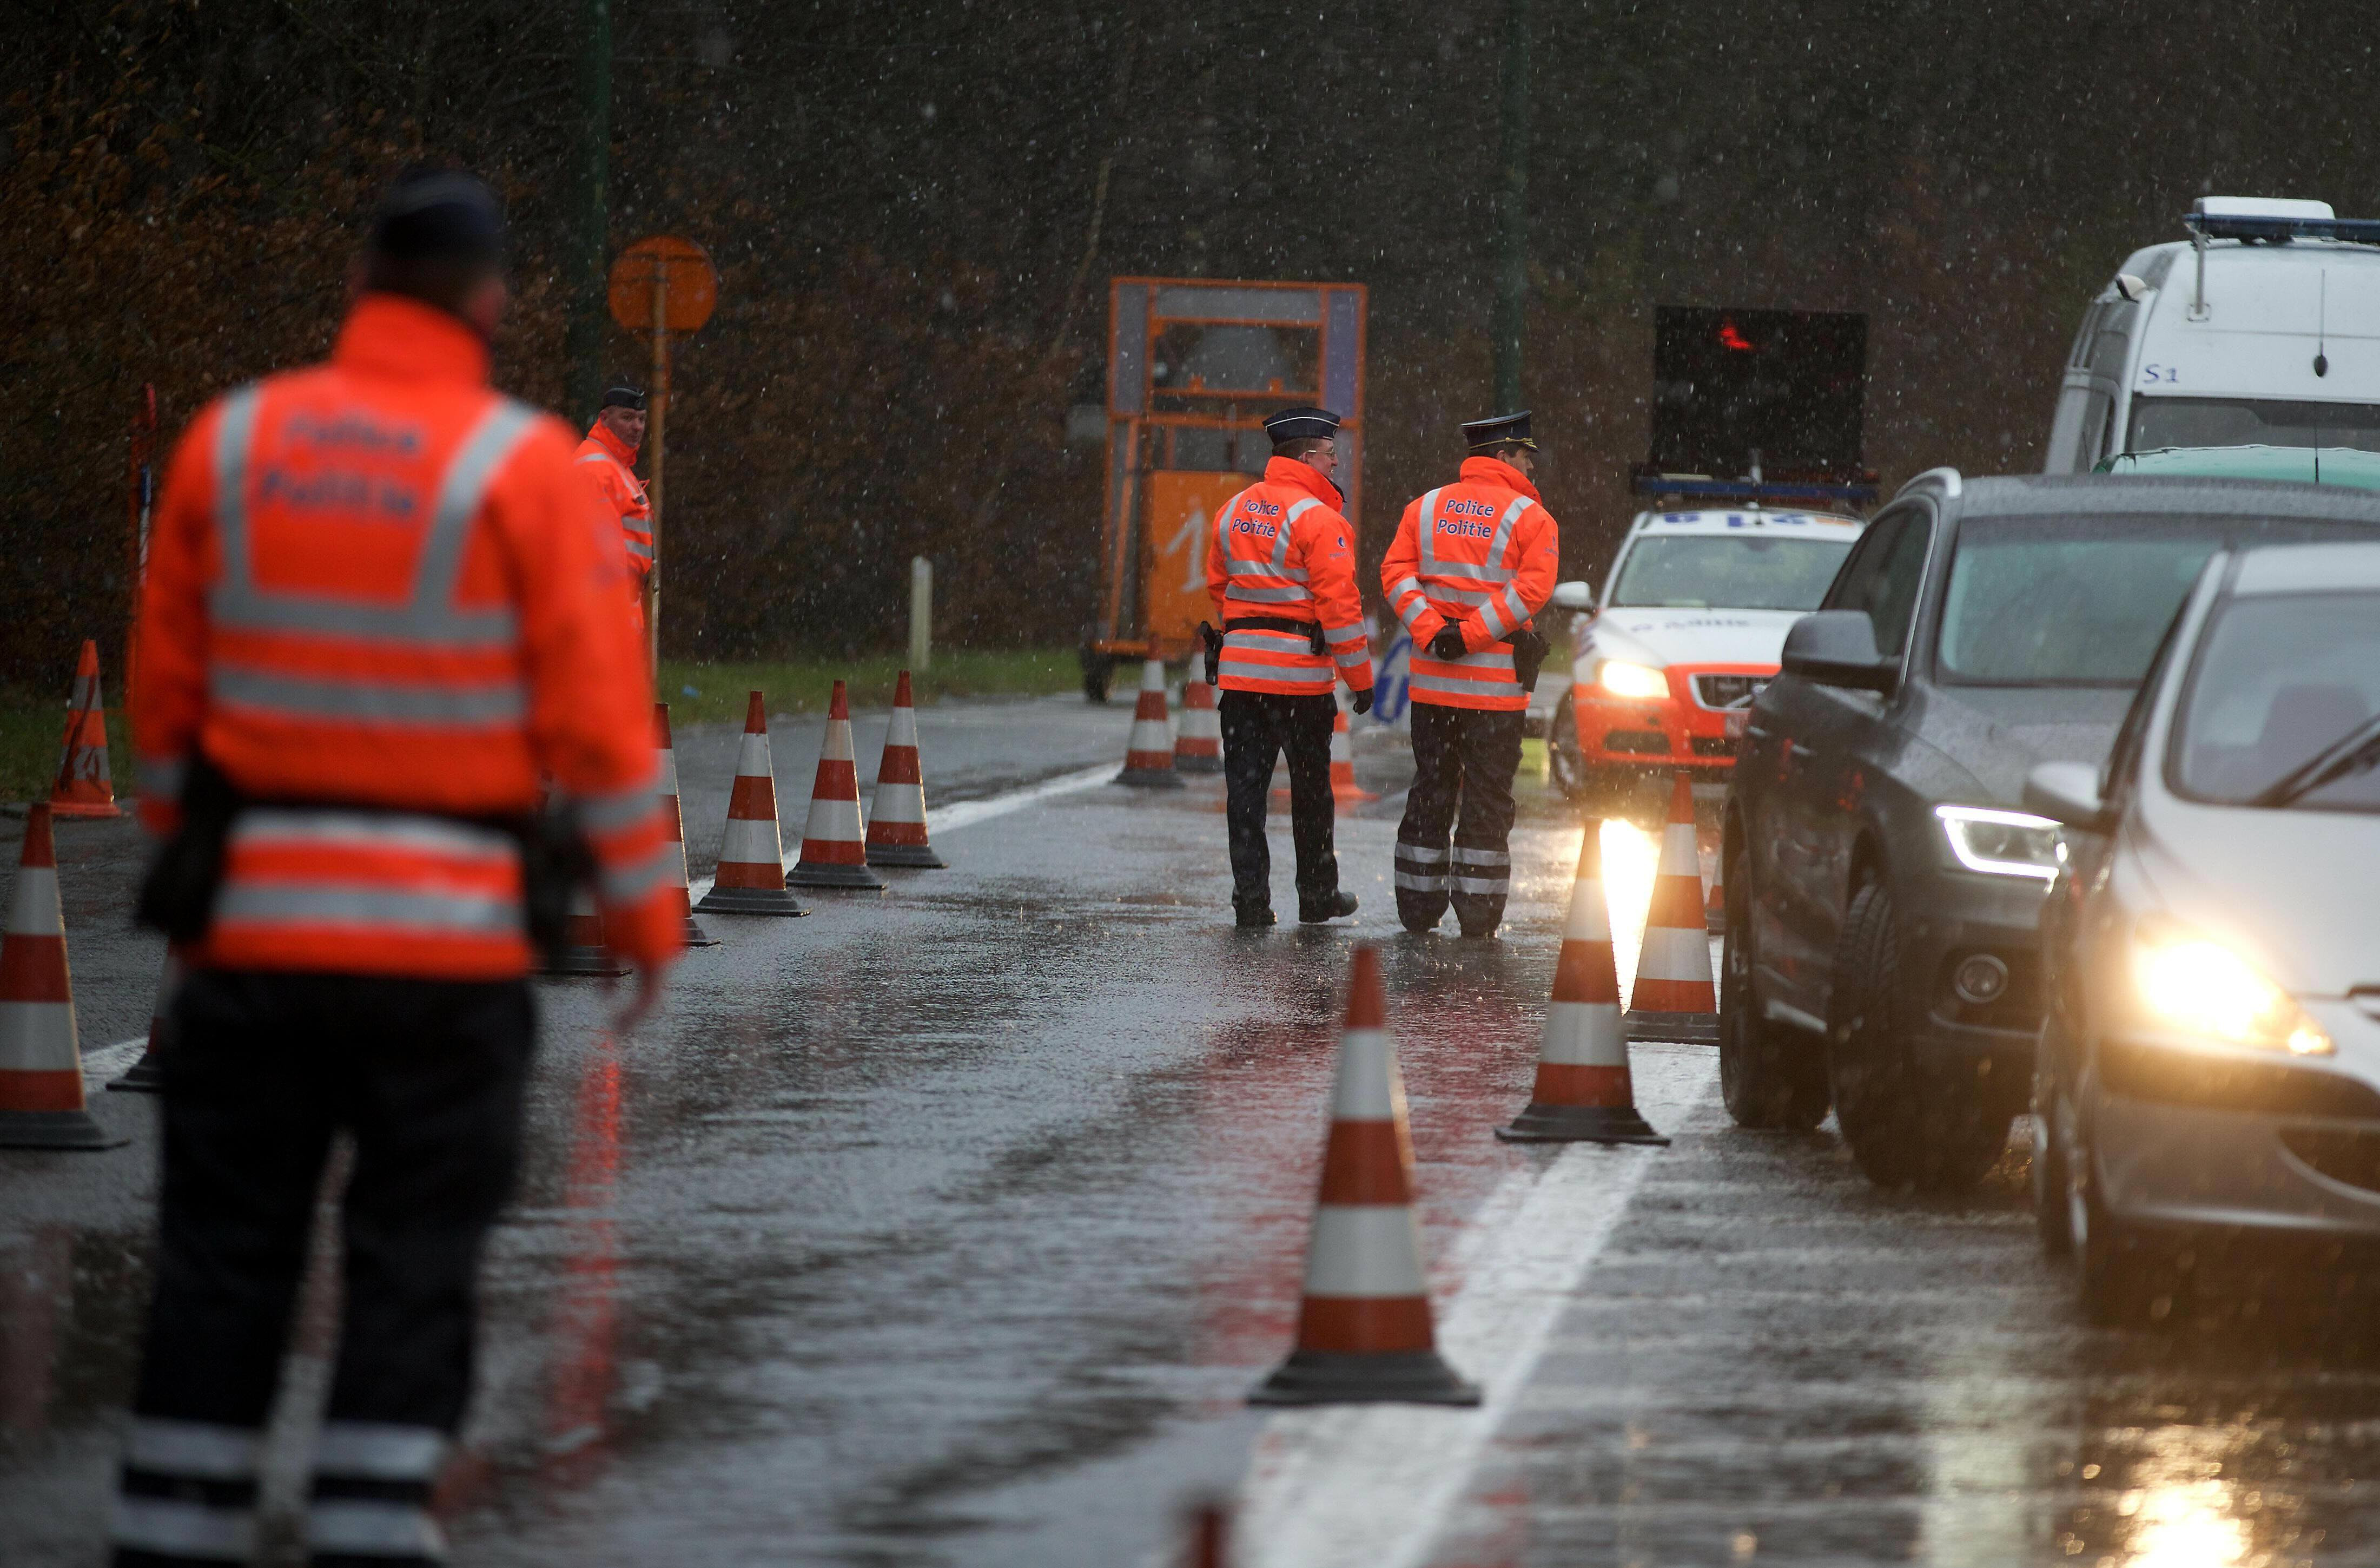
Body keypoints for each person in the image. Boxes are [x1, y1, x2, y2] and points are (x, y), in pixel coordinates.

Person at [114, 168, 681, 1567]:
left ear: (362, 279)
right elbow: (601, 725)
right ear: (489, 301)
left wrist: (196, 874)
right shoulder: (520, 473)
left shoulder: (235, 445)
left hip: (253, 948)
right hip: (443, 956)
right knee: (414, 1255)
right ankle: (369, 1521)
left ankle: (175, 1521)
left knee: (223, 1255)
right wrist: (643, 917)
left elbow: (166, 709)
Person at [1380, 411, 1562, 939]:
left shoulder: (1425, 507)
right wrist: (1472, 634)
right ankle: (1478, 917)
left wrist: (1433, 629)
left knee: (1430, 788)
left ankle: (1417, 907)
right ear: (1504, 455)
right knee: (1486, 798)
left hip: (1434, 686)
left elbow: (1394, 573)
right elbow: (1530, 591)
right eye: (1525, 458)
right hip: (1494, 692)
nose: (1530, 468)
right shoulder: (1531, 518)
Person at [1204, 406, 1375, 928]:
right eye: (1329, 454)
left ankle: (1251, 900)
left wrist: (1252, 625)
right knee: (1311, 793)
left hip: (1240, 677)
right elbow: (1339, 604)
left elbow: (1218, 585)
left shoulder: (1232, 510)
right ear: (1306, 457)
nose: (1336, 462)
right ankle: (1317, 894)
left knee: (1246, 795)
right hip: (1300, 681)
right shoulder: (1320, 519)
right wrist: (1360, 679)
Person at [574, 384, 653, 622]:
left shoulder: (615, 465)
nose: (637, 427)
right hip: (606, 610)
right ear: (604, 419)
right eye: (628, 418)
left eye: (641, 419)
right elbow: (597, 551)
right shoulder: (597, 469)